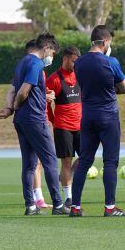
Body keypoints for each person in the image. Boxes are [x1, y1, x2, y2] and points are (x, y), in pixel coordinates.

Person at [68, 25, 125, 217]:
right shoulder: (111, 62)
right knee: (110, 163)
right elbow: (124, 87)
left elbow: (82, 86)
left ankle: (75, 207)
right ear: (105, 42)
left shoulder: (79, 63)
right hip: (108, 116)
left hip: (87, 116)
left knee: (84, 162)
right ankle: (109, 207)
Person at [0, 34, 67, 215]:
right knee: (50, 161)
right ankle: (58, 205)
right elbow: (22, 91)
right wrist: (17, 105)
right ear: (46, 49)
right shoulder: (36, 63)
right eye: (52, 52)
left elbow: (12, 89)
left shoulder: (22, 62)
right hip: (35, 119)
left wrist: (11, 109)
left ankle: (30, 205)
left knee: (29, 163)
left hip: (21, 120)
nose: (51, 57)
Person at [46, 46, 81, 206]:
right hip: (63, 127)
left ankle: (69, 176)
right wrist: (53, 120)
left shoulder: (80, 75)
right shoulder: (54, 78)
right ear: (65, 59)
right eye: (73, 61)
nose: (75, 65)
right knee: (66, 162)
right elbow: (46, 102)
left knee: (87, 156)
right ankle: (69, 197)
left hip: (81, 126)